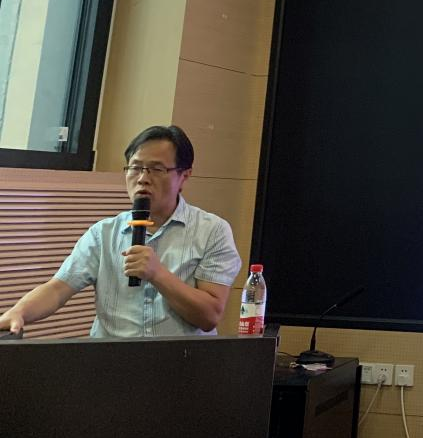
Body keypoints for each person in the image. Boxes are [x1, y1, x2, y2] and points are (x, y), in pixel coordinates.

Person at [0, 125, 242, 337]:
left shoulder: (212, 231)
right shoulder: (103, 233)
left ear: (184, 176)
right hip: (110, 360)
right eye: (135, 168)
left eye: (157, 169)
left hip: (181, 362)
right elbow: (58, 289)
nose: (143, 178)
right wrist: (18, 312)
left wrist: (158, 274)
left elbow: (210, 315)